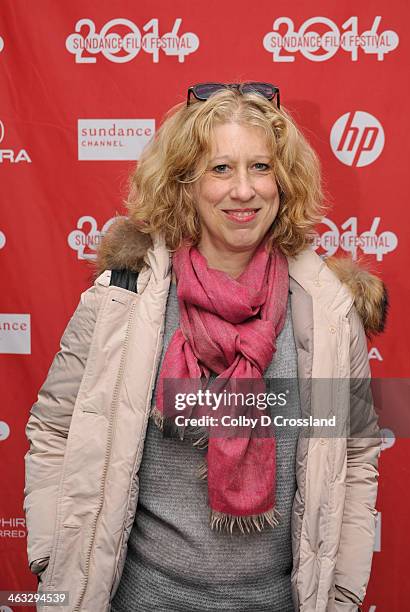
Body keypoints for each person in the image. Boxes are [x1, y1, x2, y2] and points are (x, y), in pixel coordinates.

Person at [24, 82, 387, 612]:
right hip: (139, 600)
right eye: (220, 169)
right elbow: (55, 431)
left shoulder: (327, 312)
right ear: (184, 184)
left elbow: (354, 455)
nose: (244, 191)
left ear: (284, 183)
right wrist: (53, 562)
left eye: (261, 168)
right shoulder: (122, 299)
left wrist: (343, 593)